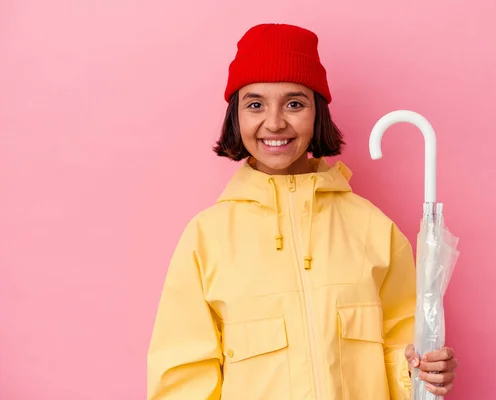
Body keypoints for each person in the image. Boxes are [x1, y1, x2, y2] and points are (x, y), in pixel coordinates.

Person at [146, 23, 458, 400]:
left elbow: (403, 348)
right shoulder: (205, 240)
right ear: (235, 116)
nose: (275, 122)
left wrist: (424, 375)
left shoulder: (374, 228)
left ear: (318, 113)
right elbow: (182, 380)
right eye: (255, 104)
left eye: (294, 103)